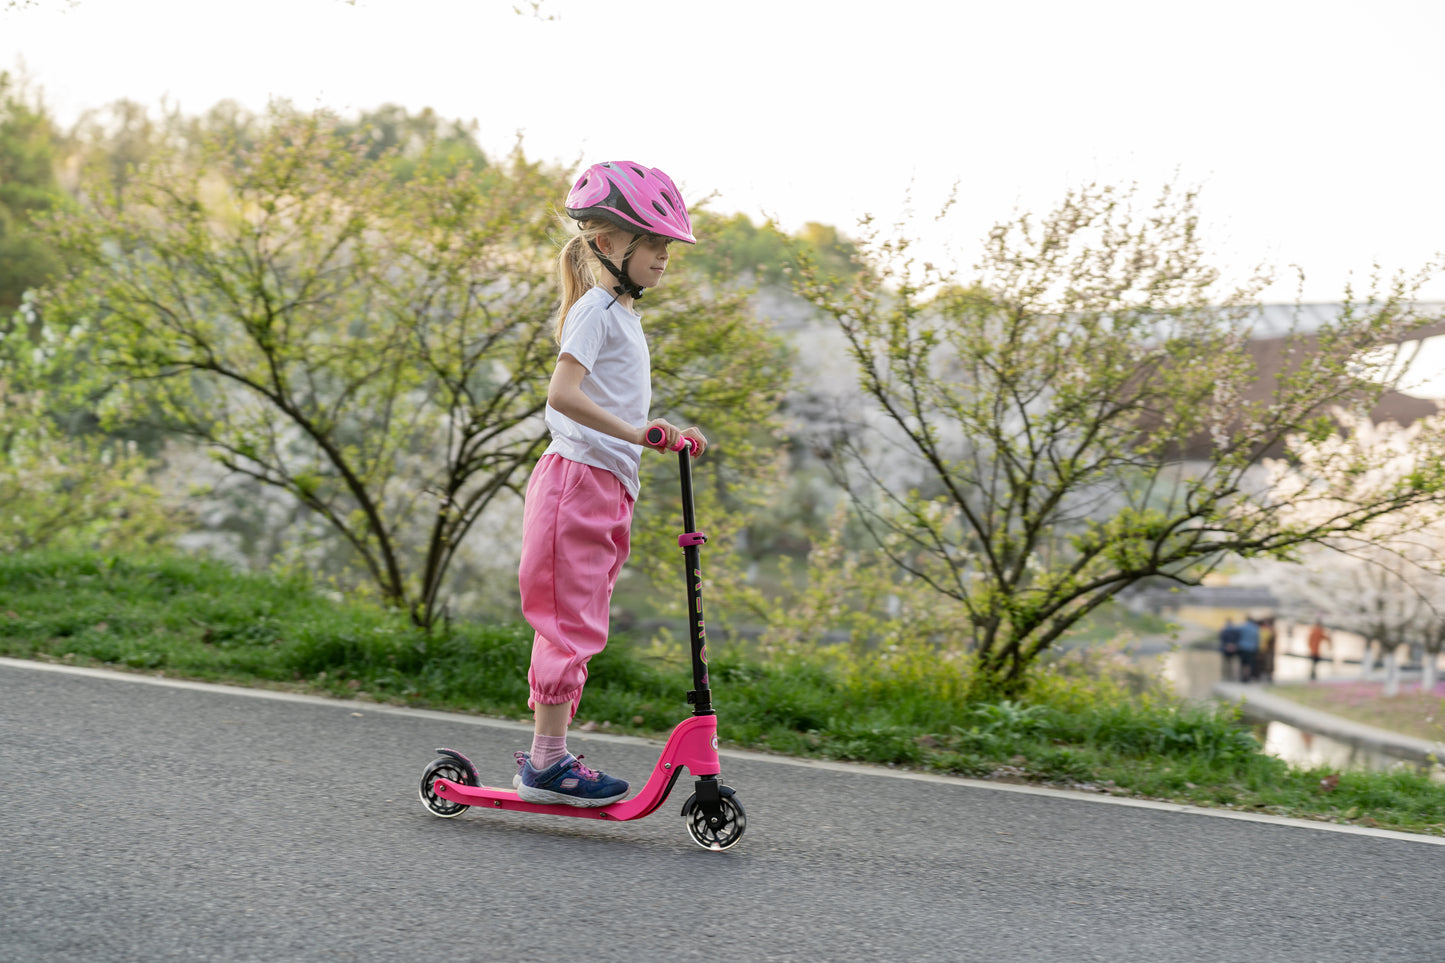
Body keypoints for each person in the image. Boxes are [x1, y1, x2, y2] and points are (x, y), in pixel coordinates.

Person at [511, 161, 707, 807]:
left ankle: (551, 754)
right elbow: (562, 395)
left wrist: (661, 431)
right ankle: (545, 762)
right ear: (605, 244)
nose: (662, 257)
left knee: (581, 619)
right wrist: (635, 433)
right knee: (567, 620)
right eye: (651, 243)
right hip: (578, 479)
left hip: (603, 483)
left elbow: (612, 400)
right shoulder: (596, 311)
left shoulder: (620, 314)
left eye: (666, 246)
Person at [1236, 617, 1261, 683]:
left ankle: (1243, 676)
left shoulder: (1243, 627)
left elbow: (1237, 635)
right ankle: (1247, 676)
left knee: (1243, 663)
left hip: (1242, 647)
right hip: (1251, 648)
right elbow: (1257, 639)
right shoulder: (1255, 628)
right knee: (1249, 663)